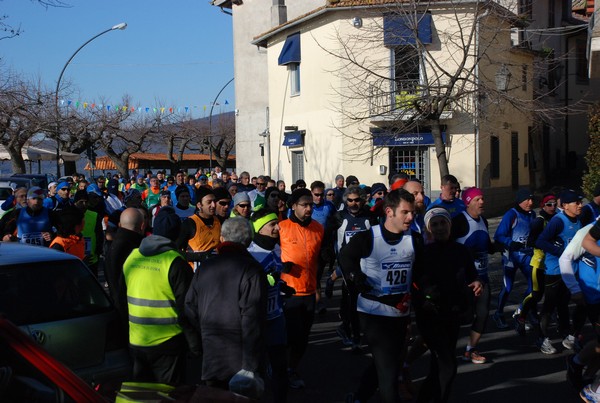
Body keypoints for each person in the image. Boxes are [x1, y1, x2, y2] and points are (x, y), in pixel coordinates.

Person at [340, 189, 423, 403]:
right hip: (372, 311)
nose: (411, 217)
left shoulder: (414, 239)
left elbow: (423, 273)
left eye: (412, 212)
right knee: (388, 372)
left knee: (388, 363)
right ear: (389, 212)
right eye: (405, 212)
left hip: (400, 311)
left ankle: (358, 398)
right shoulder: (368, 238)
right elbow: (345, 256)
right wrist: (355, 276)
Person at [185, 217, 266, 398]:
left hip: (211, 355)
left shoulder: (205, 267)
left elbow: (189, 307)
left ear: (221, 239)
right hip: (240, 359)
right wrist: (251, 365)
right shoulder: (252, 269)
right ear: (248, 241)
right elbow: (252, 319)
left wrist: (203, 336)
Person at [123, 207, 199, 384]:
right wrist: (195, 346)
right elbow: (187, 309)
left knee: (141, 394)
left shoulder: (133, 257)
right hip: (168, 343)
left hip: (137, 339)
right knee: (168, 394)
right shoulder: (176, 262)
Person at [413, 207, 481, 402]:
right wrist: (426, 296)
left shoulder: (461, 251)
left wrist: (477, 283)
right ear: (428, 229)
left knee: (438, 366)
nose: (440, 227)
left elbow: (472, 275)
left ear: (450, 225)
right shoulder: (423, 253)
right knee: (448, 364)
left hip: (453, 315)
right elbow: (415, 283)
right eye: (435, 224)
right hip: (430, 316)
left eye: (443, 223)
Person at [279, 188, 324, 388]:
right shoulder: (281, 227)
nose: (308, 208)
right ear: (293, 206)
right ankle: (279, 367)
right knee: (290, 335)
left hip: (309, 290)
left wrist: (318, 288)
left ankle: (291, 369)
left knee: (303, 338)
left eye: (310, 205)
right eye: (304, 205)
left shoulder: (318, 228)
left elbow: (318, 261)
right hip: (288, 291)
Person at [247, 209, 290, 403]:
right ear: (259, 228)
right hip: (256, 321)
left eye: (276, 223)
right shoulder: (250, 253)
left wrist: (281, 287)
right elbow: (245, 286)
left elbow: (275, 276)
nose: (277, 227)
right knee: (256, 368)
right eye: (272, 225)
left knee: (280, 366)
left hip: (276, 316)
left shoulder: (277, 248)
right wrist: (266, 281)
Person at [535, 189, 583, 354]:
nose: (580, 205)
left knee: (567, 303)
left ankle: (567, 335)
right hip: (555, 270)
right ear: (565, 205)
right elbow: (540, 241)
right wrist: (560, 252)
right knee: (550, 304)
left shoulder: (578, 220)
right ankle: (541, 338)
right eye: (576, 203)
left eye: (580, 202)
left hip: (571, 270)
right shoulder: (558, 220)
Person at [451, 187, 495, 364]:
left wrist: (503, 245)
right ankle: (445, 349)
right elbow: (450, 248)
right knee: (462, 316)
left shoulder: (483, 220)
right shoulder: (459, 221)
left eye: (483, 198)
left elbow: (488, 246)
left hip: (482, 277)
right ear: (468, 202)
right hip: (464, 281)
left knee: (483, 314)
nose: (482, 202)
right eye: (478, 199)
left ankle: (471, 349)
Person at [331, 185, 377, 350]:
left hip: (365, 264)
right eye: (350, 200)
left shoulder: (369, 217)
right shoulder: (339, 216)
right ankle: (354, 336)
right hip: (347, 265)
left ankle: (353, 329)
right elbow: (329, 238)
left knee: (365, 298)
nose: (353, 203)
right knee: (351, 299)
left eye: (357, 200)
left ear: (363, 200)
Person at [514, 193, 558, 336]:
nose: (552, 207)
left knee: (555, 293)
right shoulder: (539, 221)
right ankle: (521, 315)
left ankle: (554, 320)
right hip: (538, 262)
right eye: (549, 204)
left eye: (554, 204)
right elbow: (531, 241)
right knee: (536, 294)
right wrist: (547, 244)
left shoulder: (557, 218)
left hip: (552, 263)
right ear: (543, 206)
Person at [492, 188, 536, 329]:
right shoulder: (511, 214)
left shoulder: (532, 214)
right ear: (519, 201)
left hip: (526, 256)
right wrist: (512, 243)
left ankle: (521, 311)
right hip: (511, 256)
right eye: (527, 199)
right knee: (508, 286)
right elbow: (498, 235)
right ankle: (498, 313)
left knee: (534, 285)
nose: (530, 202)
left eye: (532, 199)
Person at [104, 207, 146, 331]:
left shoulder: (115, 246)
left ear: (120, 225)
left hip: (120, 313)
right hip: (134, 314)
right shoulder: (137, 248)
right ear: (142, 226)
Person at [176, 187, 221, 270]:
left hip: (216, 271)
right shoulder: (190, 223)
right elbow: (176, 250)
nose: (213, 205)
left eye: (214, 201)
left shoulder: (219, 221)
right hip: (196, 273)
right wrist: (199, 256)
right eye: (209, 202)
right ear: (199, 205)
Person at [310, 180, 337, 314]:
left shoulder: (329, 206)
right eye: (316, 195)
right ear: (311, 193)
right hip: (311, 245)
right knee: (315, 274)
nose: (319, 198)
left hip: (325, 245)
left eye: (321, 195)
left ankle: (320, 293)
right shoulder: (308, 206)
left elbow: (336, 221)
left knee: (319, 273)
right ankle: (319, 301)